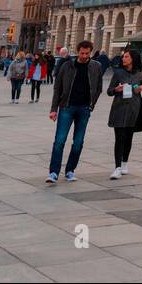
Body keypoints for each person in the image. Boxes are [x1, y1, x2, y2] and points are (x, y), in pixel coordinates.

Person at [46, 41, 104, 184]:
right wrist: (54, 109)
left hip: (84, 108)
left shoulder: (96, 67)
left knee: (78, 142)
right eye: (82, 53)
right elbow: (57, 88)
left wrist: (92, 105)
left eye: (87, 53)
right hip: (67, 106)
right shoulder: (67, 66)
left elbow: (98, 88)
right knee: (59, 141)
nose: (84, 56)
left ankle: (70, 170)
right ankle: (53, 172)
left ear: (90, 52)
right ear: (77, 52)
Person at [107, 49, 142, 179]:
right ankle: (117, 167)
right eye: (123, 57)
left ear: (133, 59)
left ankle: (124, 162)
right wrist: (116, 89)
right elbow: (109, 91)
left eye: (126, 57)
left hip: (134, 109)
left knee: (128, 138)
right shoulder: (118, 73)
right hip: (119, 109)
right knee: (119, 138)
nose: (123, 59)